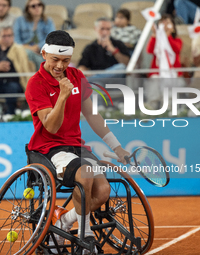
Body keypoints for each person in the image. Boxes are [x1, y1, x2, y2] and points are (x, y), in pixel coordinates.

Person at [25, 30, 129, 254]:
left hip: (76, 147)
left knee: (102, 192)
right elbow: (50, 127)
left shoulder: (77, 76)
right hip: (49, 148)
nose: (60, 66)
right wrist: (62, 95)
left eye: (65, 60)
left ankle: (63, 221)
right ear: (44, 54)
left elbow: (92, 115)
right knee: (85, 174)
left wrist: (117, 147)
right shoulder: (35, 84)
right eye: (55, 59)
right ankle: (86, 236)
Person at [145, 14, 185, 109]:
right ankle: (152, 107)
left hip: (173, 73)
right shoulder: (155, 39)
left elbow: (176, 49)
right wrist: (155, 35)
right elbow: (150, 50)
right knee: (154, 84)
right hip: (157, 73)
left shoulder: (178, 40)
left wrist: (167, 35)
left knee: (169, 88)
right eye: (162, 23)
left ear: (173, 28)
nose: (165, 25)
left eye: (168, 23)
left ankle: (169, 109)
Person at [78, 17, 130, 81]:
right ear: (95, 29)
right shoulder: (90, 47)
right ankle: (96, 79)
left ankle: (94, 79)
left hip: (115, 81)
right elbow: (81, 67)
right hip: (98, 84)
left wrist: (113, 50)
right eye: (102, 29)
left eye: (108, 29)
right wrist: (87, 72)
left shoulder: (118, 44)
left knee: (121, 67)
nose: (105, 32)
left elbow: (127, 64)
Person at [13, 0, 55, 70]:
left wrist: (38, 47)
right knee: (28, 54)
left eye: (39, 5)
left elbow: (52, 39)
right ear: (28, 9)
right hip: (24, 50)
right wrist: (29, 48)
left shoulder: (48, 21)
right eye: (33, 6)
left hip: (42, 52)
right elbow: (16, 40)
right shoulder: (19, 21)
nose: (37, 8)